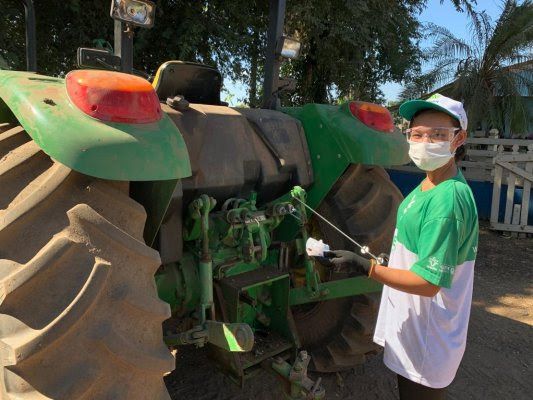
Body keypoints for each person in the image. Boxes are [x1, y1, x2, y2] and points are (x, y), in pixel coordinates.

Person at [325, 94, 479, 399]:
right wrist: (391, 262)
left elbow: (428, 283)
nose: (424, 142)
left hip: (427, 337)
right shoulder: (430, 184)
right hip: (416, 326)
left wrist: (364, 266)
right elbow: (420, 251)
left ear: (459, 139)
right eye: (417, 134)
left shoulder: (447, 200)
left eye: (438, 135)